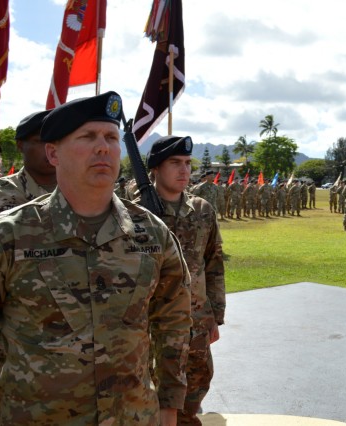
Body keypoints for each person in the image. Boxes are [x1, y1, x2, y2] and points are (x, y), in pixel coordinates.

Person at [0, 91, 192, 425]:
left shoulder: (152, 234)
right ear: (53, 153)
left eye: (111, 138)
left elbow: (174, 320)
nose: (103, 148)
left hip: (132, 416)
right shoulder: (6, 236)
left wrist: (169, 405)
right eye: (87, 137)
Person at [144, 135, 226, 426]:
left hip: (196, 319)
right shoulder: (135, 213)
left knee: (198, 382)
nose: (184, 171)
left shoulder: (202, 210)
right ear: (155, 168)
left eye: (188, 164)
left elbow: (214, 263)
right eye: (174, 163)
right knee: (151, 391)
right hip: (149, 322)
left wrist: (215, 315)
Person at [0, 109, 57, 424]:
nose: (49, 150)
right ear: (22, 145)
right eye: (40, 142)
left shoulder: (80, 195)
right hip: (8, 349)